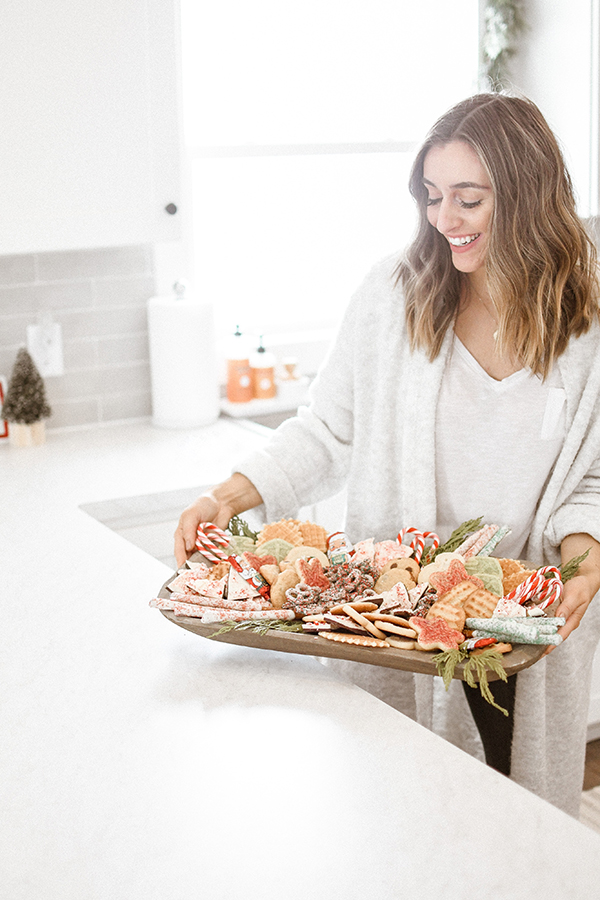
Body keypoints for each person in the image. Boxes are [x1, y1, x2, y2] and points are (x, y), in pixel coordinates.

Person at [175, 93, 600, 817]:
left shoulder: (584, 322)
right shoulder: (395, 297)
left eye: (469, 199)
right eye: (432, 197)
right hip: (401, 620)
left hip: (519, 623)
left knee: (520, 823)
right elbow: (327, 429)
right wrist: (235, 492)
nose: (445, 220)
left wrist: (586, 560)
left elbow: (592, 472)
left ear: (528, 198)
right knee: (404, 814)